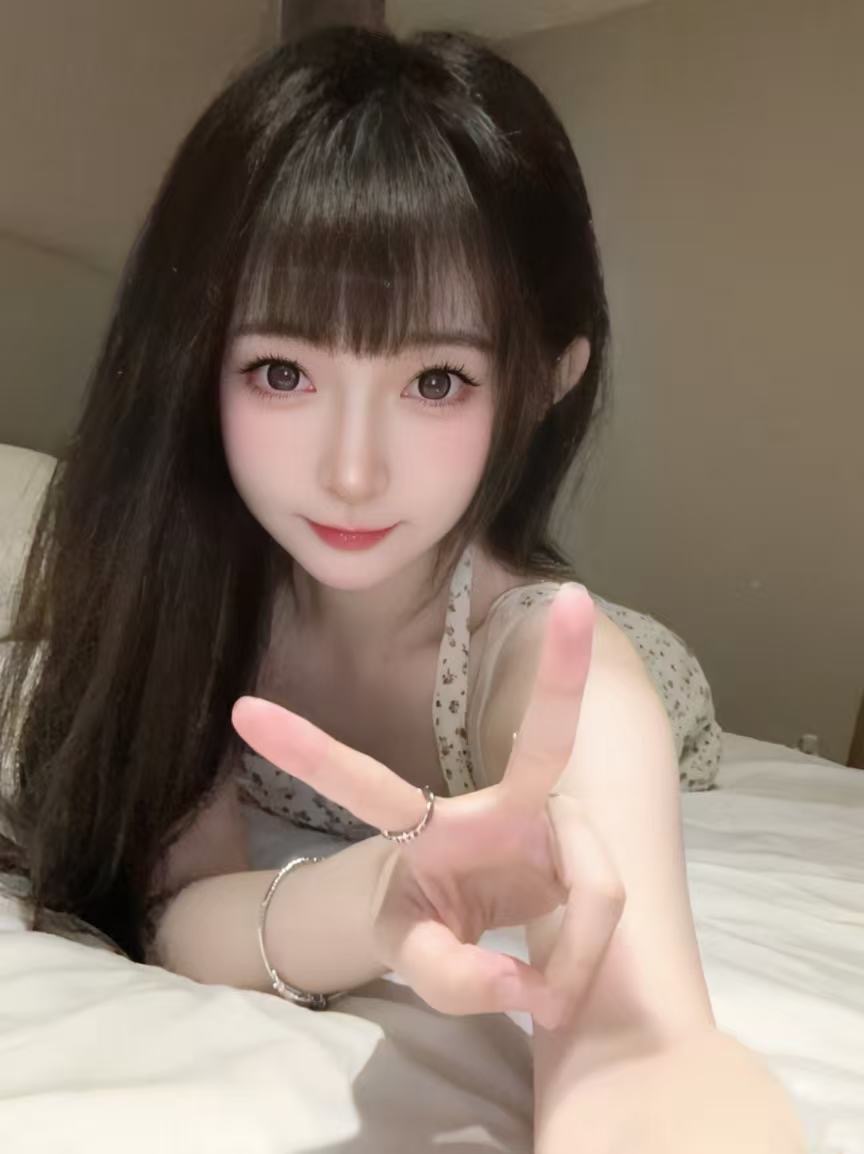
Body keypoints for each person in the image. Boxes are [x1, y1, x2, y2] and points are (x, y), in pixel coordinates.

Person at [0, 25, 805, 1151]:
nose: (350, 471)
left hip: (635, 669)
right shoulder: (182, 596)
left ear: (543, 384)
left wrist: (629, 1054)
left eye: (435, 380)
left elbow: (642, 1043)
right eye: (281, 370)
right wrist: (379, 896)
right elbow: (181, 910)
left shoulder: (558, 670)